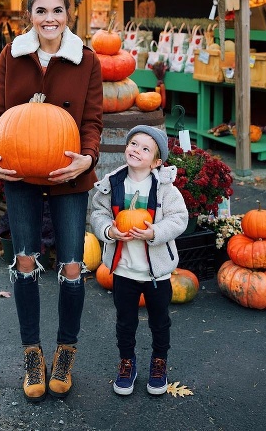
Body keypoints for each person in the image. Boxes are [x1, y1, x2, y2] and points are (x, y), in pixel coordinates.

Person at [0, 0, 103, 403]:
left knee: (72, 265)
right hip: (20, 173)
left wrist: (85, 159)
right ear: (29, 15)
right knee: (25, 261)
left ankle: (65, 350)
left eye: (58, 11)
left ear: (69, 14)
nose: (50, 19)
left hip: (69, 174)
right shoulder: (12, 56)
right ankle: (32, 352)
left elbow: (92, 121)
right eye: (41, 11)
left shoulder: (86, 60)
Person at [90, 125, 188, 396]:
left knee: (160, 321)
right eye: (133, 143)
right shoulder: (113, 182)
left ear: (157, 161)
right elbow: (97, 212)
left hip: (156, 274)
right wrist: (109, 230)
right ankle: (127, 363)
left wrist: (154, 232)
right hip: (123, 271)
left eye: (146, 148)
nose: (136, 150)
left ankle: (159, 363)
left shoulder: (164, 187)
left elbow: (179, 218)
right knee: (125, 321)